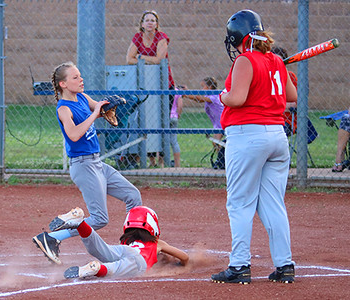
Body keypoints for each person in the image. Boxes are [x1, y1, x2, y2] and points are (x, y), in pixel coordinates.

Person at [211, 10, 297, 284]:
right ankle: (285, 265)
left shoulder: (245, 60)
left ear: (238, 37)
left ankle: (239, 266)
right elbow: (291, 97)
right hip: (276, 136)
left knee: (239, 203)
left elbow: (236, 99)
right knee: (272, 204)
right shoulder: (275, 60)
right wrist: (279, 69)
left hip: (248, 136)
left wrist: (221, 96)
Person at [32, 62, 142, 265]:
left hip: (97, 163)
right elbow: (73, 135)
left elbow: (99, 106)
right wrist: (95, 114)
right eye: (75, 77)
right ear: (63, 84)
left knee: (133, 196)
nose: (81, 80)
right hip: (83, 166)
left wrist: (107, 105)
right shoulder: (63, 108)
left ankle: (136, 245)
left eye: (80, 76)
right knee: (99, 219)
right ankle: (51, 238)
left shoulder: (82, 97)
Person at [47, 206, 189, 279]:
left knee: (99, 249)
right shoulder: (158, 243)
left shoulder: (127, 240)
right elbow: (185, 257)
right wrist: (179, 264)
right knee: (116, 269)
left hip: (124, 251)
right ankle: (97, 269)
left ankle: (80, 224)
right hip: (139, 261)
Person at [126, 10, 175, 168]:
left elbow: (160, 59)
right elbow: (128, 59)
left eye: (153, 20)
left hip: (163, 83)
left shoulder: (162, 37)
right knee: (146, 120)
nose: (149, 23)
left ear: (156, 24)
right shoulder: (137, 37)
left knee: (162, 122)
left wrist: (140, 57)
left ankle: (162, 160)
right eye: (146, 20)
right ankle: (151, 160)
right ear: (142, 23)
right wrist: (147, 59)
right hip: (146, 84)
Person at [182, 77, 224, 144]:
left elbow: (199, 99)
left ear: (210, 87)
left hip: (222, 122)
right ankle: (222, 153)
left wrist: (186, 95)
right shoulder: (209, 95)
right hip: (218, 123)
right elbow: (197, 99)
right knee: (216, 143)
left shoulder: (214, 96)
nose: (202, 89)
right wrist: (187, 91)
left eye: (203, 86)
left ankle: (223, 154)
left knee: (216, 142)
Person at [169, 87, 183, 167]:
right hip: (173, 116)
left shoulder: (162, 89)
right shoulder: (177, 91)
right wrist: (178, 115)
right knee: (174, 140)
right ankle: (177, 164)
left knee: (162, 140)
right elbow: (180, 106)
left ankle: (162, 162)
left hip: (164, 117)